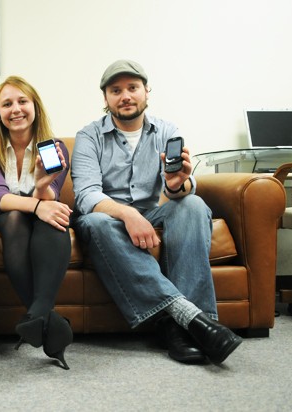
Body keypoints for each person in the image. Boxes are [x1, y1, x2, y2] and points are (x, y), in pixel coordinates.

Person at [71, 60, 243, 365]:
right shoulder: (89, 136)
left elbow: (178, 189)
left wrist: (179, 185)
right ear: (106, 98)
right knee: (96, 221)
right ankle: (195, 321)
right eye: (116, 90)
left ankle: (181, 327)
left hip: (152, 213)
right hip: (107, 218)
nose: (125, 95)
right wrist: (127, 214)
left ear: (146, 92)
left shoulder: (167, 131)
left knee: (192, 203)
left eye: (132, 88)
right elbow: (86, 194)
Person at [0, 76, 73, 369]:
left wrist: (42, 185)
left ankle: (38, 315)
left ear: (35, 107)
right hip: (6, 218)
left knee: (53, 216)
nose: (15, 109)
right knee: (18, 217)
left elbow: (50, 196)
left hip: (42, 214)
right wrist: (38, 204)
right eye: (7, 104)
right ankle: (47, 315)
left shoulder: (54, 147)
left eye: (22, 101)